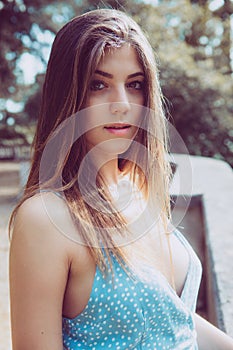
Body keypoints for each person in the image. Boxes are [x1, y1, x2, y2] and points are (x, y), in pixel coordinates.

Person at [9, 8, 233, 350]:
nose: (122, 104)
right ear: (68, 94)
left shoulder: (139, 191)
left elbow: (174, 323)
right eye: (99, 84)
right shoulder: (46, 218)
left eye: (135, 84)